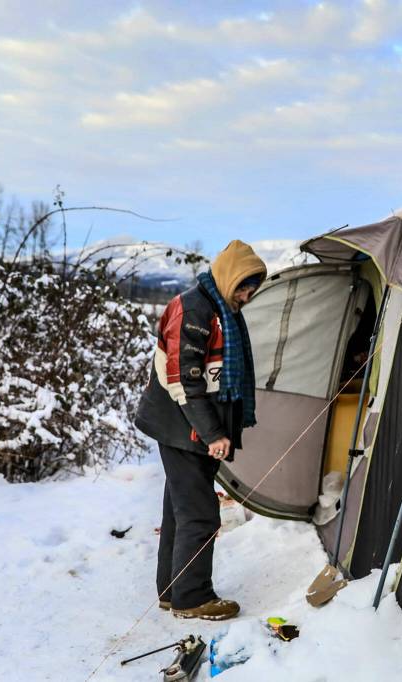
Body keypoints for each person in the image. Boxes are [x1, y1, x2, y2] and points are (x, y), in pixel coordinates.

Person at [135, 240, 267, 621]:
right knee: (200, 514)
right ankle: (192, 598)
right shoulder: (193, 308)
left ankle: (172, 591)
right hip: (183, 428)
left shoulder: (221, 308)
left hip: (191, 427)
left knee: (181, 510)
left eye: (253, 287)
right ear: (227, 277)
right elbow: (183, 379)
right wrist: (213, 434)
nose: (248, 294)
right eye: (243, 285)